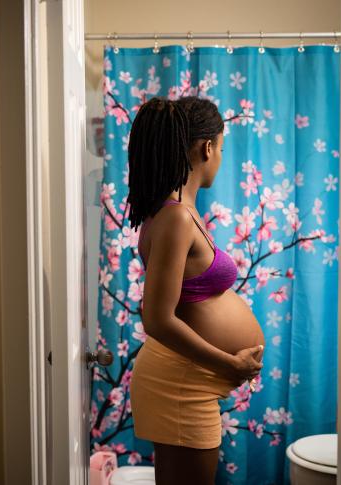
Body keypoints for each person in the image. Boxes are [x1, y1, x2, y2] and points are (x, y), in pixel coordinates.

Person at [127, 96, 265, 485]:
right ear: (207, 148)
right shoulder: (175, 218)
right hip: (181, 384)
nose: (220, 157)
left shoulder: (178, 212)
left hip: (185, 380)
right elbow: (156, 318)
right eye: (221, 148)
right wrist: (229, 364)